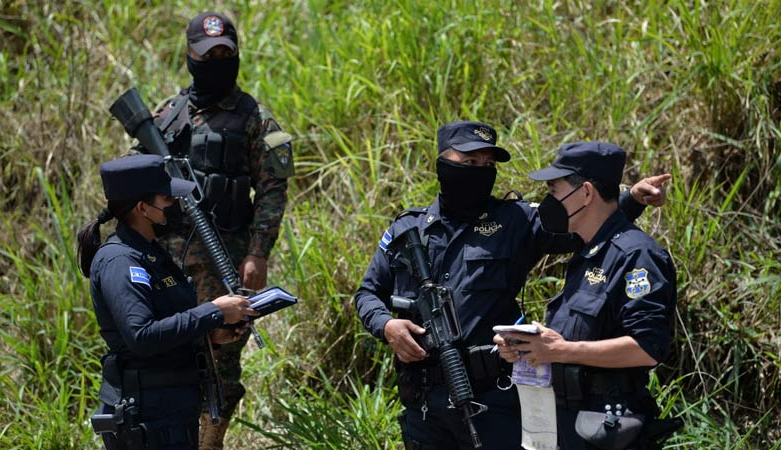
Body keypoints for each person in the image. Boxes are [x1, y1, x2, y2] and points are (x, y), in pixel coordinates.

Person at [354, 121, 669, 450]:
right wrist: (387, 326)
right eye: (470, 161)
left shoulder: (516, 220)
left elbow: (585, 222)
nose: (480, 171)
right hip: (424, 403)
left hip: (493, 400)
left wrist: (632, 199)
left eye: (487, 164)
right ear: (442, 162)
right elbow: (368, 293)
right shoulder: (409, 228)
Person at [138, 11, 294, 448]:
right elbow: (135, 176)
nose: (217, 62)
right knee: (166, 353)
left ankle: (209, 442)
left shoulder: (255, 118)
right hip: (164, 261)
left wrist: (258, 252)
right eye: (208, 55)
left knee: (220, 359)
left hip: (223, 260)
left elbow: (273, 190)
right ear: (190, 56)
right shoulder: (167, 114)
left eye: (225, 54)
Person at [494, 142, 677, 449]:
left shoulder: (636, 255)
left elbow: (647, 348)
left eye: (554, 191)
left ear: (587, 193)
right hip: (569, 426)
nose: (548, 202)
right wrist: (528, 346)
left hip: (610, 428)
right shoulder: (588, 253)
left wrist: (561, 350)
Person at [77, 154, 255, 449]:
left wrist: (208, 336)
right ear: (142, 208)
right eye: (168, 200)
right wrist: (213, 311)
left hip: (170, 413)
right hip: (147, 419)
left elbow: (167, 328)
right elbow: (142, 336)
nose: (177, 207)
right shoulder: (120, 261)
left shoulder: (152, 255)